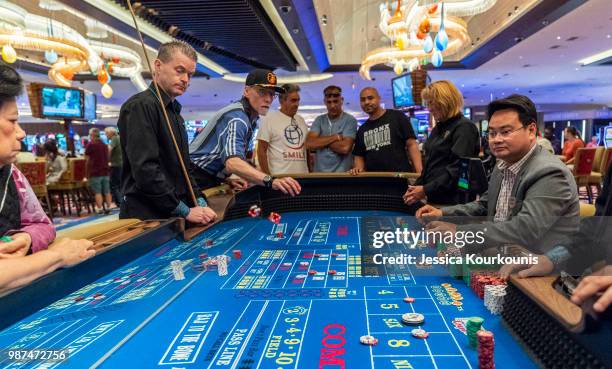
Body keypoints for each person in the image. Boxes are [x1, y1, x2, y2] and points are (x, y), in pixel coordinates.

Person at [416, 94, 579, 256]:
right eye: (492, 133)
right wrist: (442, 213)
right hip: (503, 255)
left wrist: (459, 231)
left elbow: (524, 230)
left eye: (505, 131)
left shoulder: (549, 172)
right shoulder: (502, 164)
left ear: (531, 130)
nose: (496, 140)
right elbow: (484, 205)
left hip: (538, 268)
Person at [0, 64, 95, 292]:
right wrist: (56, 256)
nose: (21, 132)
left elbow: (42, 224)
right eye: (12, 121)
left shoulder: (12, 173)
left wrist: (27, 238)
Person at [117, 41, 216, 224]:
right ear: (158, 66)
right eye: (180, 70)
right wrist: (185, 211)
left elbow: (185, 168)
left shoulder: (175, 113)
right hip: (146, 218)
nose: (186, 79)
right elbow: (146, 171)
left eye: (190, 74)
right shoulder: (140, 106)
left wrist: (199, 201)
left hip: (172, 214)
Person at [189, 69, 301, 196]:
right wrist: (270, 180)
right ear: (246, 91)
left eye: (271, 94)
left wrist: (225, 179)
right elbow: (232, 163)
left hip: (207, 176)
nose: (268, 99)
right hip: (193, 176)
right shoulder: (237, 117)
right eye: (262, 92)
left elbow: (219, 156)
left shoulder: (251, 118)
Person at [403, 80, 479, 206]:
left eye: (431, 102)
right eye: (428, 103)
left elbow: (457, 169)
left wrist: (424, 190)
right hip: (435, 197)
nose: (429, 108)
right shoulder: (438, 128)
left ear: (445, 100)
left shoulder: (464, 127)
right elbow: (430, 166)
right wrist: (415, 188)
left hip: (454, 202)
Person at [350, 87, 422, 174]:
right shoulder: (362, 130)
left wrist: (420, 173)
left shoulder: (397, 117)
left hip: (400, 178)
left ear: (379, 98)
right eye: (363, 100)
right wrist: (358, 170)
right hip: (375, 182)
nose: (366, 102)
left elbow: (412, 144)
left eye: (370, 98)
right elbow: (359, 155)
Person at [256, 83, 309, 175]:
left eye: (298, 100)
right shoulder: (269, 119)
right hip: (280, 179)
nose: (297, 104)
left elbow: (306, 148)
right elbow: (261, 151)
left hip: (303, 177)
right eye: (293, 100)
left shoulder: (301, 120)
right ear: (282, 101)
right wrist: (268, 177)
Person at [306, 85, 358, 172]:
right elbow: (310, 143)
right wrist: (335, 137)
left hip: (342, 176)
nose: (332, 105)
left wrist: (321, 142)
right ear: (325, 102)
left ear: (342, 100)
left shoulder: (350, 120)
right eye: (329, 102)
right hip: (319, 176)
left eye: (335, 101)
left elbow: (345, 148)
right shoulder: (319, 120)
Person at [85, 128, 112, 214]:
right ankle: (109, 207)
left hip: (95, 172)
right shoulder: (104, 145)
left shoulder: (90, 145)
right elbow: (108, 157)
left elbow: (87, 159)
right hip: (105, 171)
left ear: (92, 135)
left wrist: (86, 172)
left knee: (98, 191)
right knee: (107, 191)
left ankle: (100, 208)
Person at [104, 126, 122, 206]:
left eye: (106, 133)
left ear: (111, 133)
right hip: (121, 163)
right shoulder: (119, 137)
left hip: (116, 164)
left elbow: (109, 149)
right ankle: (122, 202)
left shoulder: (114, 138)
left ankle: (119, 203)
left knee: (114, 185)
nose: (106, 135)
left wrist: (106, 160)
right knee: (119, 184)